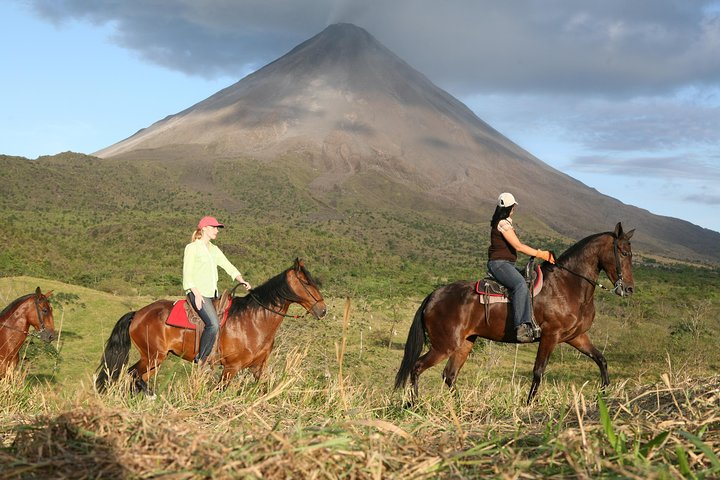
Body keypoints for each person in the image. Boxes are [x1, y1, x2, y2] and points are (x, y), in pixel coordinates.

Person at [183, 215, 251, 364]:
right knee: (213, 324)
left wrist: (241, 279)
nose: (217, 231)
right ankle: (201, 359)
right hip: (197, 293)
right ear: (204, 228)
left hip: (213, 294)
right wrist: (197, 294)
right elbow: (187, 275)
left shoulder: (214, 249)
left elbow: (228, 266)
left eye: (217, 228)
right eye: (214, 228)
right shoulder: (192, 248)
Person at [487, 193, 554, 343]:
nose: (514, 210)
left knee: (528, 282)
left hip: (506, 264)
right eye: (513, 207)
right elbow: (518, 246)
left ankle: (531, 321)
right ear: (510, 208)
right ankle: (521, 327)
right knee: (520, 285)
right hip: (499, 264)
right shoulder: (503, 223)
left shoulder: (502, 222)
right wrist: (541, 254)